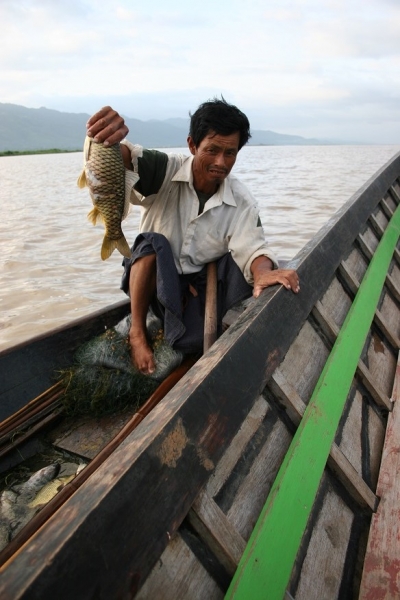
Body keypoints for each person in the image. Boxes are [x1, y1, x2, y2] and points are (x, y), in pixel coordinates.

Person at [87, 98, 300, 376]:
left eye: (230, 153)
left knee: (241, 268)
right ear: (192, 145)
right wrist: (110, 140)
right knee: (152, 244)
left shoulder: (241, 200)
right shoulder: (165, 169)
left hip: (194, 287)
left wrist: (262, 273)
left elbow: (253, 248)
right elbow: (129, 158)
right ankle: (137, 331)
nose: (221, 162)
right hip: (150, 280)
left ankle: (201, 335)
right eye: (212, 150)